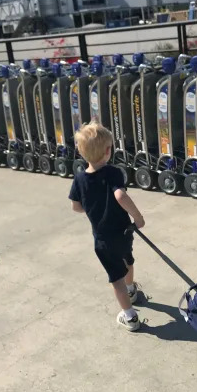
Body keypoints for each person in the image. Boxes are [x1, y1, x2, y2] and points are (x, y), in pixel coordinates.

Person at [69, 121, 146, 332]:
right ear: (108, 151)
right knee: (127, 259)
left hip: (103, 238)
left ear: (82, 153)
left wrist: (92, 208)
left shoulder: (79, 180)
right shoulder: (113, 172)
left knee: (116, 278)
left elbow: (76, 207)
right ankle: (131, 290)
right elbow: (120, 195)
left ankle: (130, 316)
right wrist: (137, 217)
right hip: (123, 230)